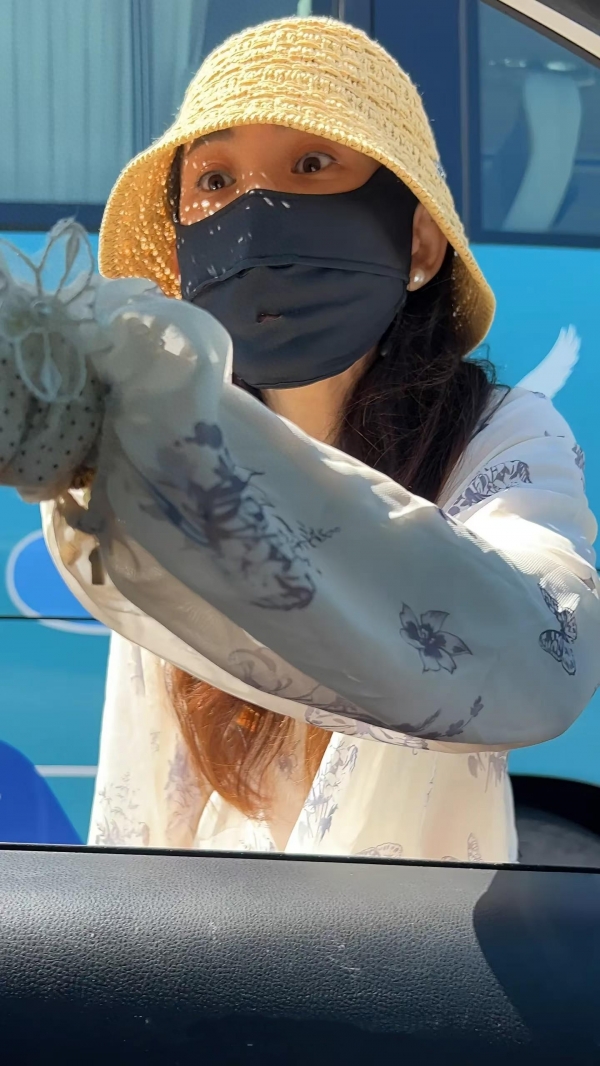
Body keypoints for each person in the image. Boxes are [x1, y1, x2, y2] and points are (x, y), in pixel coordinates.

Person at [0, 16, 598, 862]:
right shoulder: (162, 462)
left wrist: (183, 458)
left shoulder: (501, 437)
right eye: (214, 180)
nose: (253, 216)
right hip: (221, 942)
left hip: (405, 944)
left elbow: (540, 656)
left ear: (418, 243)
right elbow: (137, 818)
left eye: (312, 165)